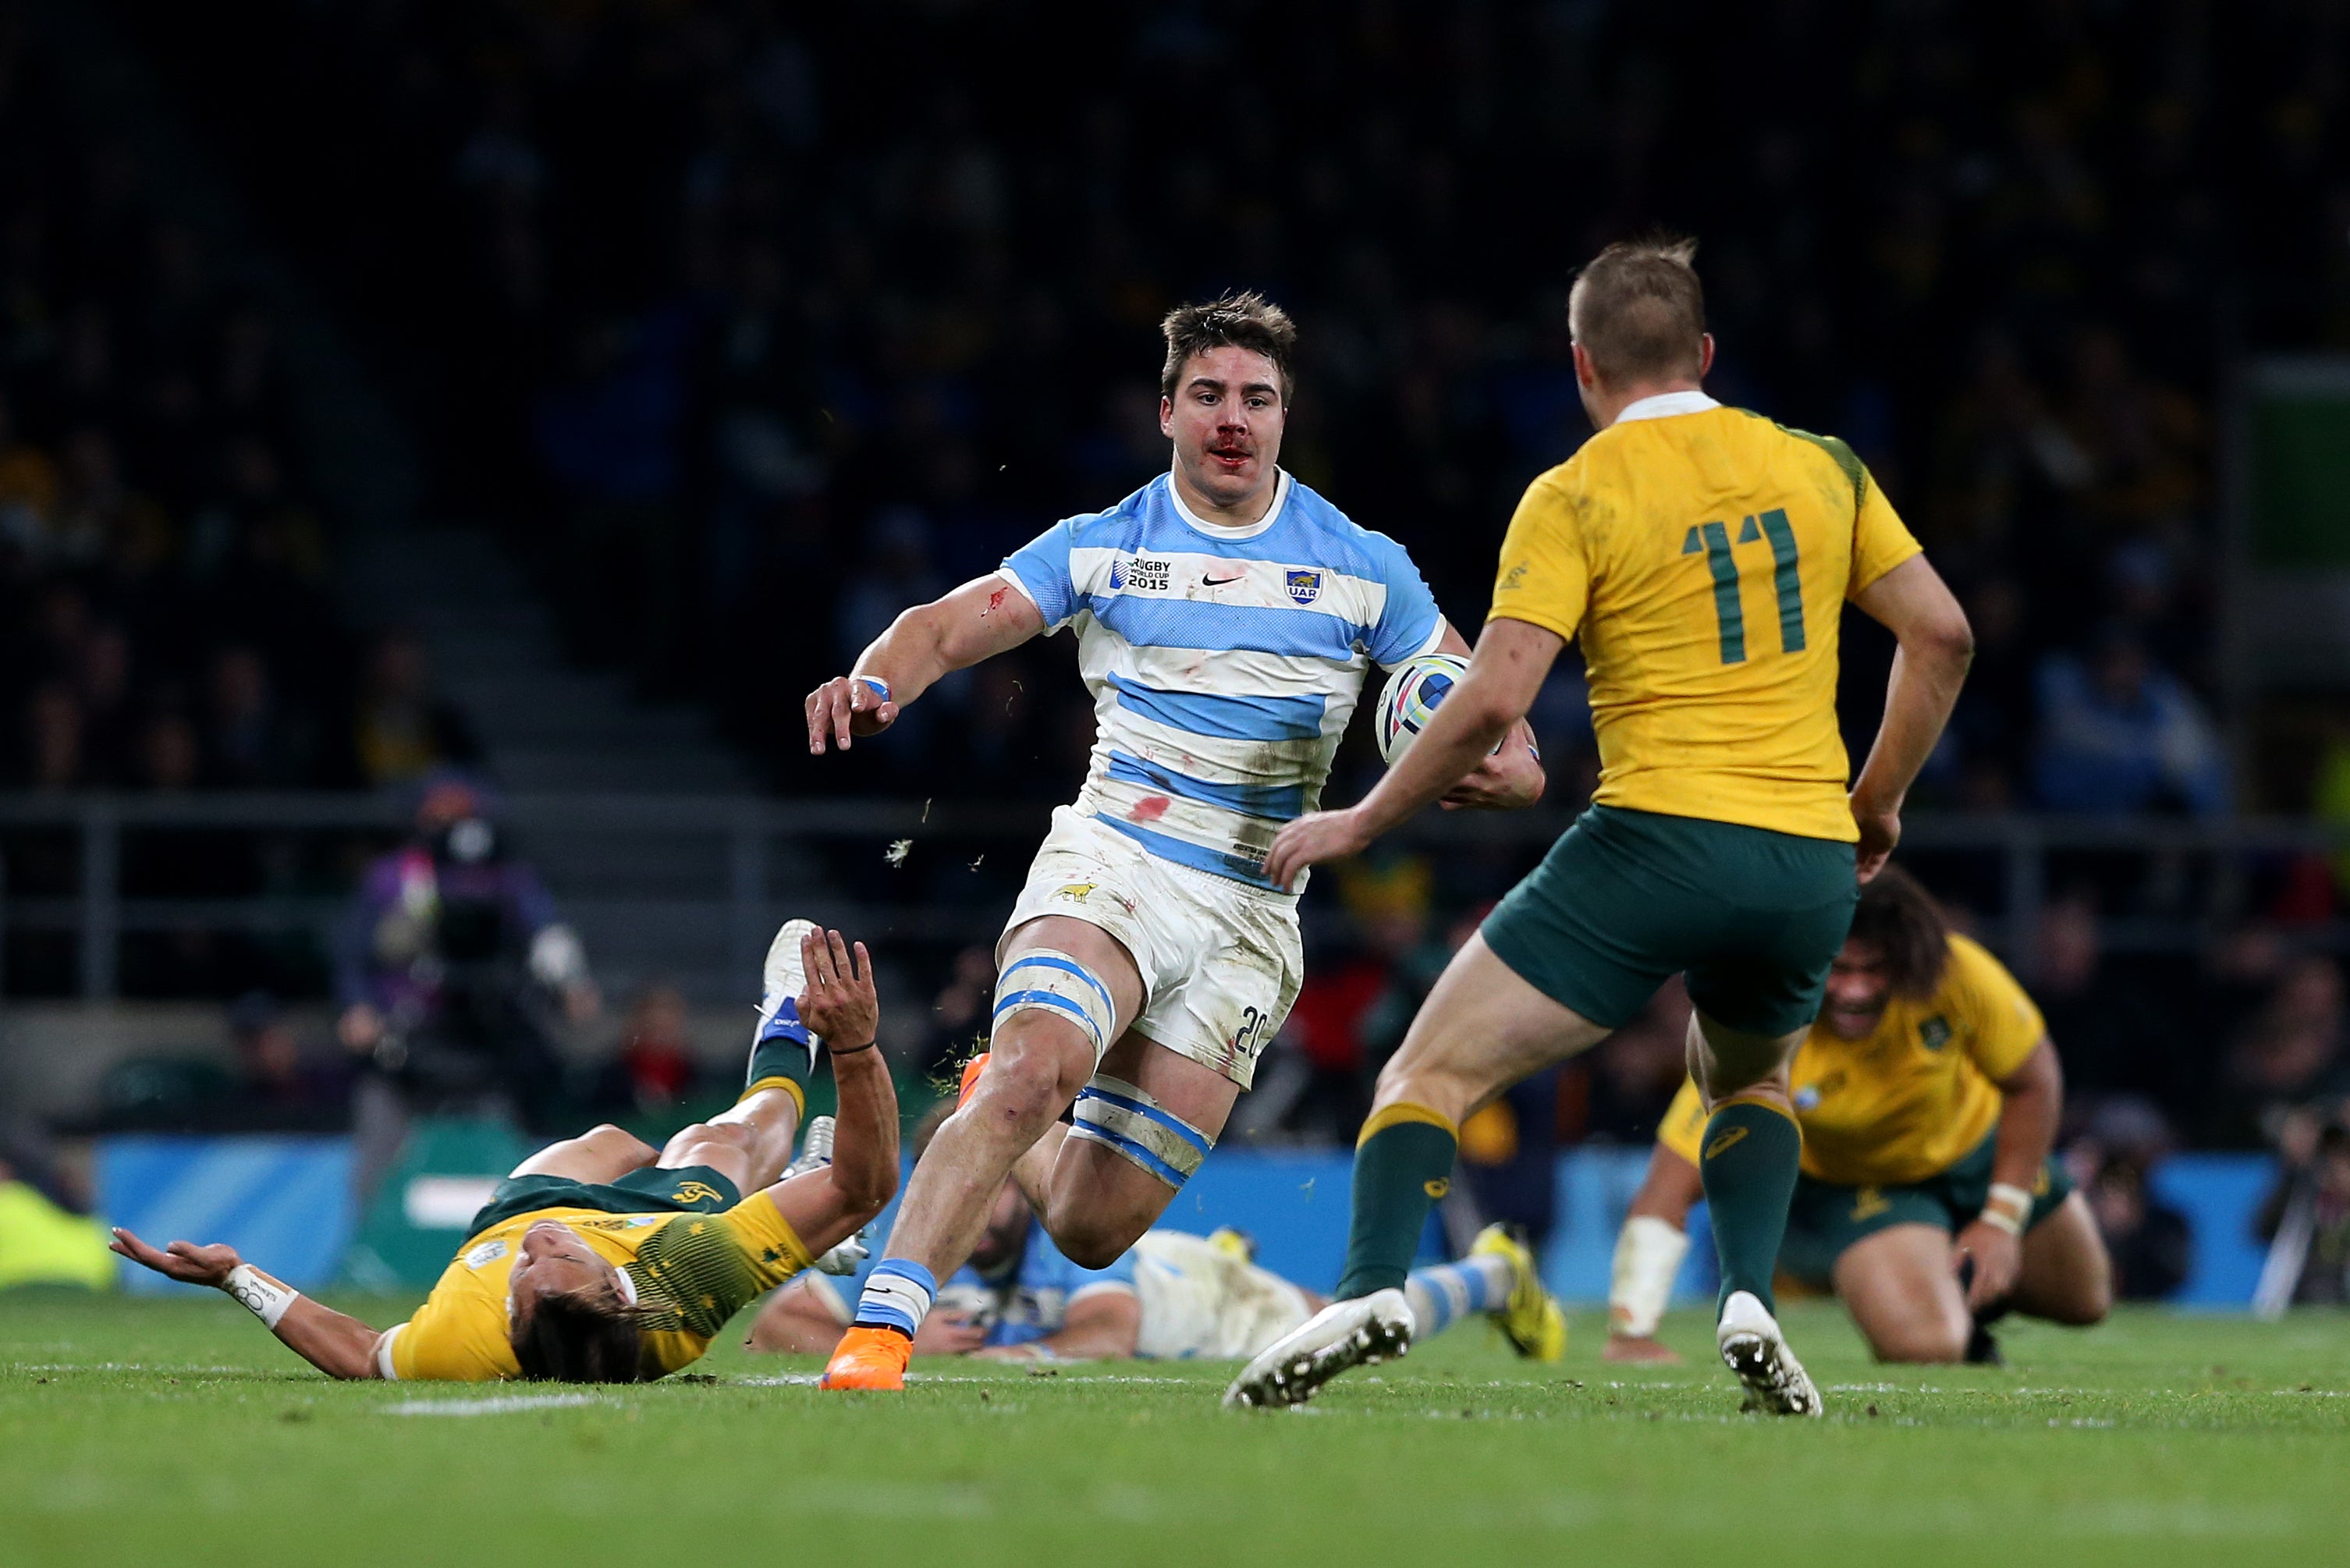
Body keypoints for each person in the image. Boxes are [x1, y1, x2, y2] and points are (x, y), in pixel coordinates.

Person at [1226, 236, 1975, 1414]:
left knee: (1429, 1069)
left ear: (1581, 365)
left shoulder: (1575, 491)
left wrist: (1365, 817)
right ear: (1708, 354)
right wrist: (1875, 804)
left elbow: (1493, 697)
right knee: (1748, 1081)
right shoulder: (1824, 466)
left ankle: (1371, 1286)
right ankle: (1749, 1301)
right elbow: (1943, 636)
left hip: (1654, 842)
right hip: (1806, 859)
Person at [807, 292, 1546, 1392]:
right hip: (1117, 859)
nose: (1233, 417)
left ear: (1286, 414)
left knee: (1096, 1224)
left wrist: (1498, 770)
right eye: (1209, 395)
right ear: (1167, 411)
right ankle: (880, 1333)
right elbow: (945, 625)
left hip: (1255, 908)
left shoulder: (1366, 566)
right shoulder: (1104, 546)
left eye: (1257, 397)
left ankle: (997, 1109)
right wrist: (877, 680)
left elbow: (1500, 725)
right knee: (1033, 1068)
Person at [107, 923, 890, 1383]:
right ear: (617, 1294)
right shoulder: (688, 1280)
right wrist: (852, 1046)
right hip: (654, 1236)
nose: (537, 1251)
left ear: (511, 1324)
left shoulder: (466, 1339)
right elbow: (869, 1184)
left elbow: (357, 1353)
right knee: (730, 1139)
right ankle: (788, 1029)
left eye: (526, 1273)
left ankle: (784, 1217)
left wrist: (235, 1277)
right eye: (561, 1262)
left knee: (612, 1144)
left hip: (524, 1199)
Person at [1601, 867, 2111, 1366]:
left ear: (1908, 959)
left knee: (2087, 1302)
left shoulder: (1956, 971)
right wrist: (1631, 1331)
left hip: (1978, 1150)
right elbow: (1669, 1184)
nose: (1855, 991)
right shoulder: (1761, 1026)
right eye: (1839, 970)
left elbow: (2035, 1078)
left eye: (1875, 970)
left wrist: (2001, 1218)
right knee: (1927, 1347)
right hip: (1865, 1189)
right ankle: (1927, 1294)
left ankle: (1947, 1280)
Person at [752, 1105, 1564, 1365]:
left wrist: (1006, 1356)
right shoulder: (911, 1247)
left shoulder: (1050, 1236)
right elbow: (776, 1324)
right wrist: (892, 1341)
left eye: (997, 1186)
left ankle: (1494, 1274)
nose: (983, 1207)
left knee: (1363, 1331)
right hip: (1165, 1285)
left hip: (1200, 1299)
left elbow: (1111, 1328)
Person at [335, 772, 602, 1202]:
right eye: (440, 810)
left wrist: (573, 984)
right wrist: (357, 1006)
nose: (450, 820)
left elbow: (547, 934)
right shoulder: (395, 876)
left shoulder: (507, 877)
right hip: (404, 1034)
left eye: (461, 810)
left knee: (504, 1146)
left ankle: (509, 1233)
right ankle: (368, 1246)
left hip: (484, 1035)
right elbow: (353, 951)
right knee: (381, 1143)